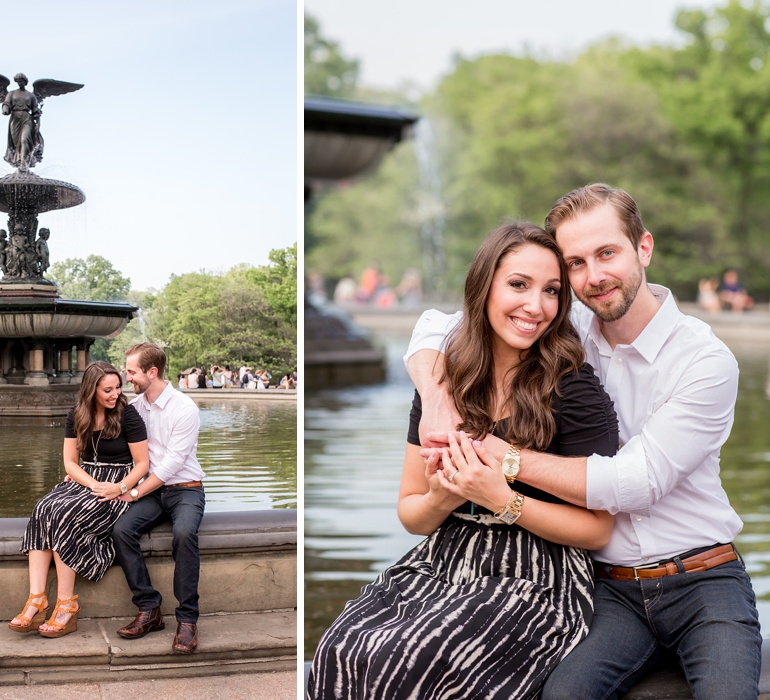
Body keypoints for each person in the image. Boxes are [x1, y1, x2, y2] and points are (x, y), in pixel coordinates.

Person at [405, 184, 761, 699]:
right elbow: (437, 326)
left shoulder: (705, 361)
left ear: (644, 248)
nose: (593, 277)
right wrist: (437, 401)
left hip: (703, 578)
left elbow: (633, 483)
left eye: (607, 253)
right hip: (605, 589)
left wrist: (502, 460)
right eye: (575, 263)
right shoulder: (564, 325)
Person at [309, 222, 620, 700]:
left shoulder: (573, 389)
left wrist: (502, 499)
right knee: (341, 648)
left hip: (539, 575)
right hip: (443, 561)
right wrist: (443, 495)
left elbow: (599, 529)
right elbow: (412, 512)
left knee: (421, 657)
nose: (535, 306)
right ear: (484, 286)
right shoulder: (442, 390)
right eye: (518, 284)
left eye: (552, 291)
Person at [9, 361, 149, 638]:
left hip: (118, 482)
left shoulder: (128, 415)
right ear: (91, 390)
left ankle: (66, 605)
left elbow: (142, 463)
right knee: (44, 507)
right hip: (87, 479)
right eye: (107, 389)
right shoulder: (77, 414)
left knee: (67, 514)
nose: (115, 394)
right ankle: (37, 599)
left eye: (118, 387)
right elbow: (70, 462)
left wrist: (117, 487)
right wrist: (91, 483)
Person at [113, 343, 205, 654]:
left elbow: (171, 465)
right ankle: (149, 609)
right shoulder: (135, 408)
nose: (128, 378)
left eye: (132, 372)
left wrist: (134, 492)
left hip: (186, 490)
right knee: (122, 530)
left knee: (184, 533)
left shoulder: (184, 408)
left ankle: (188, 620)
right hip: (154, 493)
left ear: (152, 372)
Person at [3, 73, 44, 170]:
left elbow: (35, 111)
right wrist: (5, 109)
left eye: (21, 81)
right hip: (15, 119)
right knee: (17, 144)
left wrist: (38, 123)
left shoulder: (31, 95)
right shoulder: (11, 93)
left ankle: (23, 163)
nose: (19, 83)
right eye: (17, 81)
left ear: (25, 82)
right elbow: (6, 103)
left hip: (27, 119)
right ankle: (19, 161)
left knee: (24, 140)